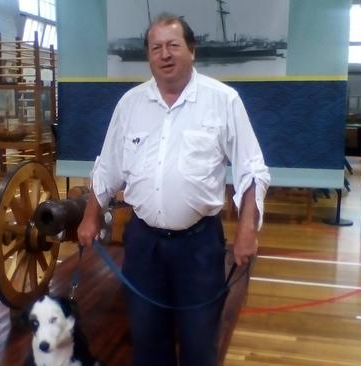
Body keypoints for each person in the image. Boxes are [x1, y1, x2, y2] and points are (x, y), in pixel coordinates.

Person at [77, 13, 270, 366]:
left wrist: (247, 231)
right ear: (149, 56)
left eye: (173, 45)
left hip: (199, 247)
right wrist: (90, 217)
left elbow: (252, 170)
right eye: (156, 48)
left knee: (199, 344)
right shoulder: (129, 105)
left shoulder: (223, 101)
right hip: (143, 245)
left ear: (191, 51)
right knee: (148, 342)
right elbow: (107, 168)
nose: (165, 54)